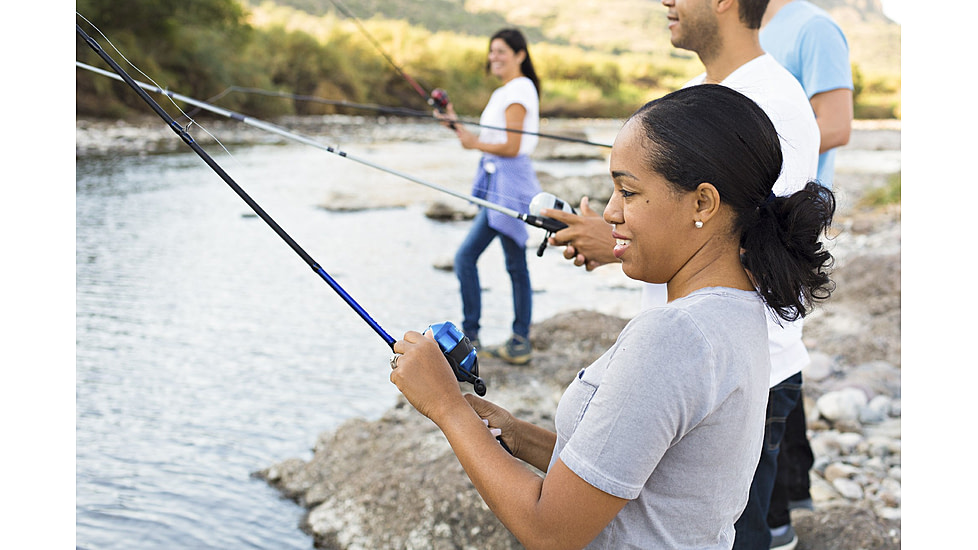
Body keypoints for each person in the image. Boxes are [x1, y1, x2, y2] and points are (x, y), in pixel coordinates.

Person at [389, 85, 835, 549]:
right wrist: (516, 434)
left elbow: (550, 530)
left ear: (703, 202)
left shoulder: (675, 336)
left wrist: (445, 407)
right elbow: (640, 478)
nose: (609, 211)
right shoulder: (739, 308)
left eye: (627, 190)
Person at [541, 1, 820, 549]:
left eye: (627, 192)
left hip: (723, 370)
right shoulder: (702, 92)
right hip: (683, 356)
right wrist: (623, 238)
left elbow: (747, 244)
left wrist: (618, 237)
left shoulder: (776, 102)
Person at [760, 2, 854, 547]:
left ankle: (778, 520)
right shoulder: (754, 28)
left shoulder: (814, 28)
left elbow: (836, 125)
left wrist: (740, 153)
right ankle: (790, 498)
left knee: (775, 359)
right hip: (752, 224)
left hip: (787, 227)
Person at [438, 28, 542, 365]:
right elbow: (487, 140)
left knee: (500, 261)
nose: (494, 57)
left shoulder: (520, 90)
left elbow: (511, 147)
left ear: (519, 55)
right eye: (491, 51)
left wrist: (474, 144)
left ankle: (508, 340)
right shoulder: (506, 91)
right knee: (494, 261)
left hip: (509, 183)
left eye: (501, 51)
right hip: (498, 181)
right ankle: (498, 338)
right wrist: (453, 122)